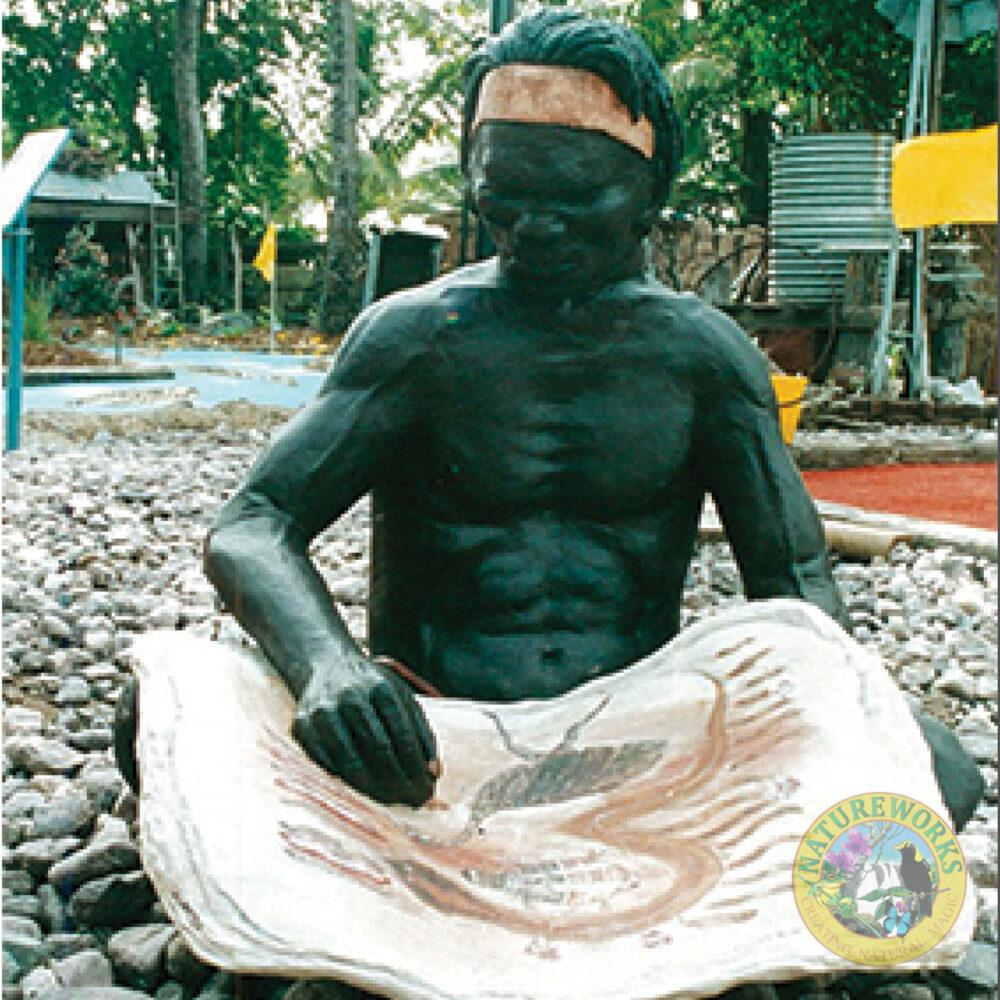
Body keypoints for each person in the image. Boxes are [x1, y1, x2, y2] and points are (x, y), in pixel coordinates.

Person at [195, 10, 981, 830]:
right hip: (429, 739)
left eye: (574, 197)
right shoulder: (415, 340)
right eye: (506, 195)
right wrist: (328, 667)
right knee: (170, 712)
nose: (534, 227)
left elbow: (793, 582)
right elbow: (254, 523)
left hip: (633, 738)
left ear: (652, 192)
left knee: (938, 769)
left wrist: (845, 712)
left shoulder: (704, 360)